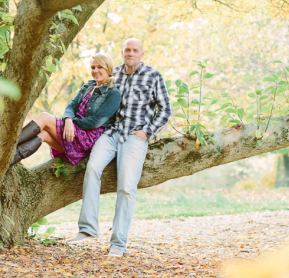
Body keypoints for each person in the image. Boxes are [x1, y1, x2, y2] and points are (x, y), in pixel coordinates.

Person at [67, 38, 172, 257]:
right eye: (127, 50)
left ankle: (118, 243)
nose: (130, 53)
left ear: (142, 54)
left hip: (135, 136)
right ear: (122, 52)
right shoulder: (112, 73)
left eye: (135, 50)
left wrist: (147, 132)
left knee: (126, 187)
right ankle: (87, 229)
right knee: (93, 169)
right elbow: (91, 95)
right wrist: (72, 119)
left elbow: (165, 110)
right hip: (111, 132)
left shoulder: (153, 76)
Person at [11, 53, 121, 167]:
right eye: (93, 67)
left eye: (100, 67)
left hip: (86, 137)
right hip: (72, 131)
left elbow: (95, 121)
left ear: (108, 68)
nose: (95, 70)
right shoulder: (89, 86)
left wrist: (72, 123)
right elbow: (71, 106)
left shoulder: (113, 93)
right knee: (44, 134)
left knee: (44, 117)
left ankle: (8, 145)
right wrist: (68, 120)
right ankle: (10, 158)